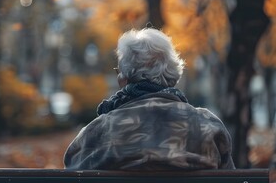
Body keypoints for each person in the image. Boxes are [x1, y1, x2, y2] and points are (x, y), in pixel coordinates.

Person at [63, 27, 235, 170]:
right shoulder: (208, 125)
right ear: (175, 77)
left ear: (123, 79)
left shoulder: (98, 131)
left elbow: (71, 171)